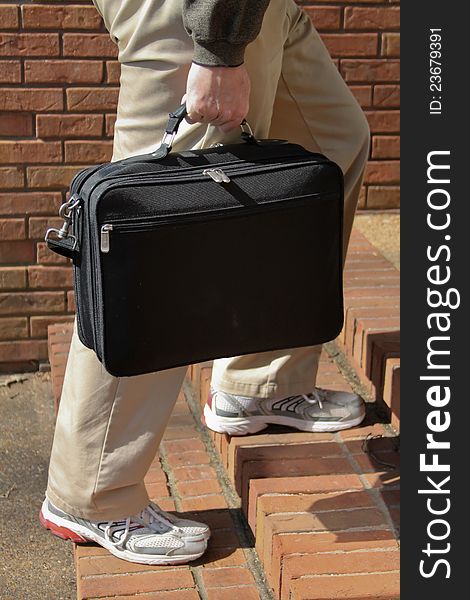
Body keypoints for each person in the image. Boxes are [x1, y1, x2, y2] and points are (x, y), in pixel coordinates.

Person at [40, 0, 370, 565]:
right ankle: (92, 492)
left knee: (332, 147)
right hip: (195, 13)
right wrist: (217, 48)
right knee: (156, 232)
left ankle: (260, 382)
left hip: (258, 11)